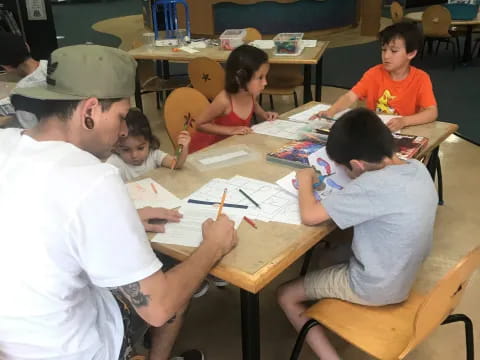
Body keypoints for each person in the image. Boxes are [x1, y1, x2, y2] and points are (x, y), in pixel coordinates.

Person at [0, 44, 237, 360]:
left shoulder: (7, 143)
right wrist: (214, 246)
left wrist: (124, 220)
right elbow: (157, 306)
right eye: (121, 117)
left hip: (13, 341)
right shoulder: (93, 178)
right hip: (75, 349)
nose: (124, 130)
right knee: (176, 273)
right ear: (90, 111)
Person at [277, 108, 438, 360]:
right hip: (404, 270)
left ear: (357, 165)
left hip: (376, 286)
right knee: (324, 254)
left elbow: (310, 216)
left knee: (285, 294)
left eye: (344, 169)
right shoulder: (416, 167)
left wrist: (305, 179)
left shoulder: (369, 185)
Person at [311, 22, 438, 132]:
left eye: (394, 51)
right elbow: (350, 96)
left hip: (403, 132)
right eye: (383, 50)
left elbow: (431, 112)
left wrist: (404, 121)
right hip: (374, 133)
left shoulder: (421, 78)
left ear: (411, 53)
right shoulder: (374, 73)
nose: (386, 56)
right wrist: (330, 112)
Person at [189, 45, 278, 153]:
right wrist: (230, 130)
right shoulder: (224, 101)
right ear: (240, 77)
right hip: (207, 150)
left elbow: (254, 105)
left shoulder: (251, 94)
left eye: (265, 77)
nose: (265, 83)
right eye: (260, 78)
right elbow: (200, 124)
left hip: (232, 147)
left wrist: (264, 114)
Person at [107, 108, 190, 182]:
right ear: (116, 147)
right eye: (126, 150)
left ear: (149, 142)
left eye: (140, 148)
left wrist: (184, 147)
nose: (134, 155)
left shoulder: (153, 155)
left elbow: (175, 164)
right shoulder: (114, 163)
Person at [0, 31, 48, 128]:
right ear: (27, 47)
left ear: (6, 67)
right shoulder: (55, 66)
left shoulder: (21, 95)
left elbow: (32, 131)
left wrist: (6, 121)